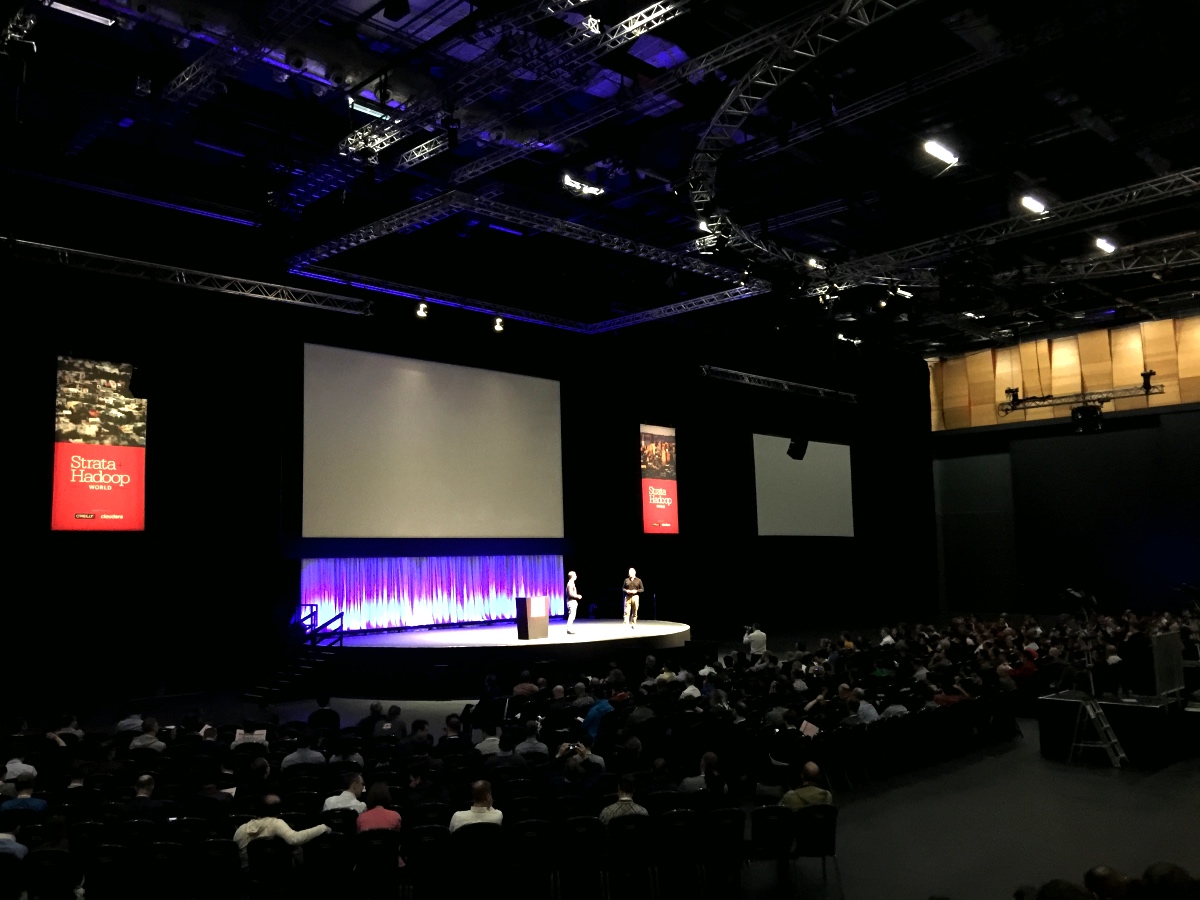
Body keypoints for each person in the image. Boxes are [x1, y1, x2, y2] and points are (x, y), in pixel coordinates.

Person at [232, 794, 331, 867]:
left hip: (252, 875)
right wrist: (322, 828)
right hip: (278, 872)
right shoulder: (276, 823)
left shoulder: (241, 829)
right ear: (279, 812)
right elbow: (295, 839)